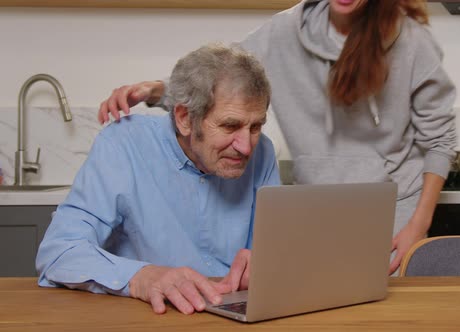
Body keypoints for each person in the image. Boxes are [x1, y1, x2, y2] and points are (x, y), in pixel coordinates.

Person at [97, 0, 457, 275]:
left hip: (391, 216)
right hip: (314, 212)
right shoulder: (285, 31)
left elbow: (439, 141)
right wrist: (157, 90)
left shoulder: (411, 41)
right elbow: (224, 78)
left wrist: (417, 226)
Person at [36, 43, 280, 315]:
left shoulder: (263, 152)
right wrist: (140, 277)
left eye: (256, 126)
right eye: (230, 126)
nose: (246, 146)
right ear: (185, 118)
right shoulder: (123, 146)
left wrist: (270, 263)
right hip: (148, 317)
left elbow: (279, 251)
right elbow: (58, 253)